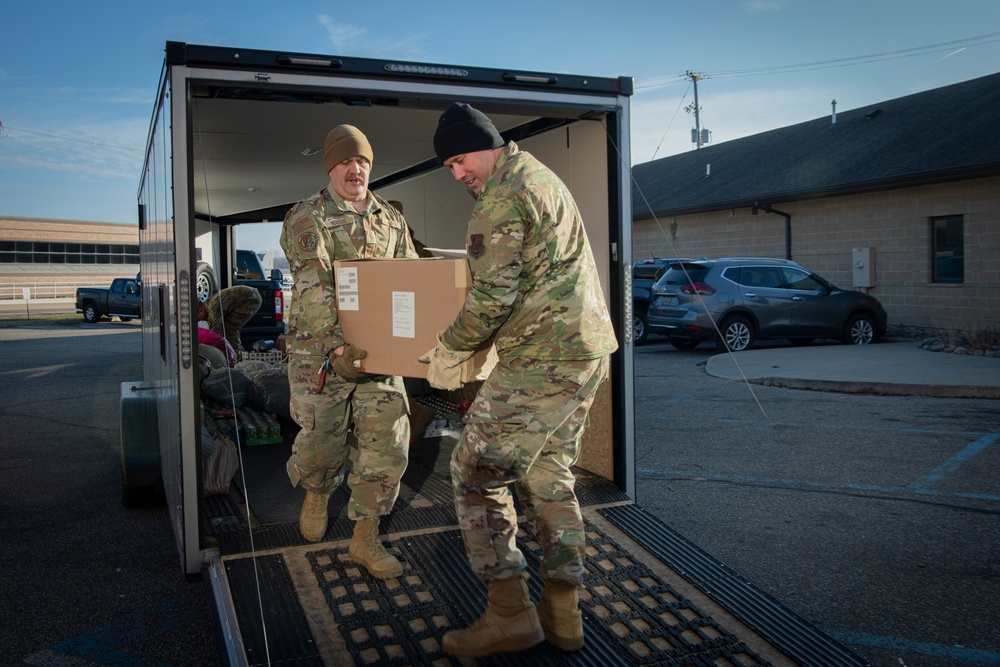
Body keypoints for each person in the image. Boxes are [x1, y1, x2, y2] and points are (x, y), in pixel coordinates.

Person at [420, 103, 618, 657]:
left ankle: (509, 613)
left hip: (542, 358)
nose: (458, 174)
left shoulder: (502, 195)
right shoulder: (539, 176)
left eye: (461, 160)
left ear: (487, 144)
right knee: (549, 474)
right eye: (449, 167)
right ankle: (564, 611)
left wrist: (450, 348)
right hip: (581, 352)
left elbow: (491, 298)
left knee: (475, 472)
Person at [279, 124, 418, 580]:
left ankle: (365, 537)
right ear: (330, 168)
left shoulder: (392, 219)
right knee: (321, 444)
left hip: (380, 356)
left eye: (361, 161)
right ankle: (317, 492)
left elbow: (411, 282)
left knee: (387, 445)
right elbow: (313, 282)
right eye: (344, 161)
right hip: (322, 355)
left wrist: (418, 340)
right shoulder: (307, 215)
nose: (354, 168)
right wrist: (336, 343)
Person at [197, 284, 262, 353]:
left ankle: (236, 354)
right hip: (250, 294)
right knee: (227, 326)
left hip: (251, 299)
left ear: (201, 311)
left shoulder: (213, 309)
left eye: (199, 319)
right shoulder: (208, 305)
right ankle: (235, 352)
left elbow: (215, 332)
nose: (201, 320)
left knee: (230, 327)